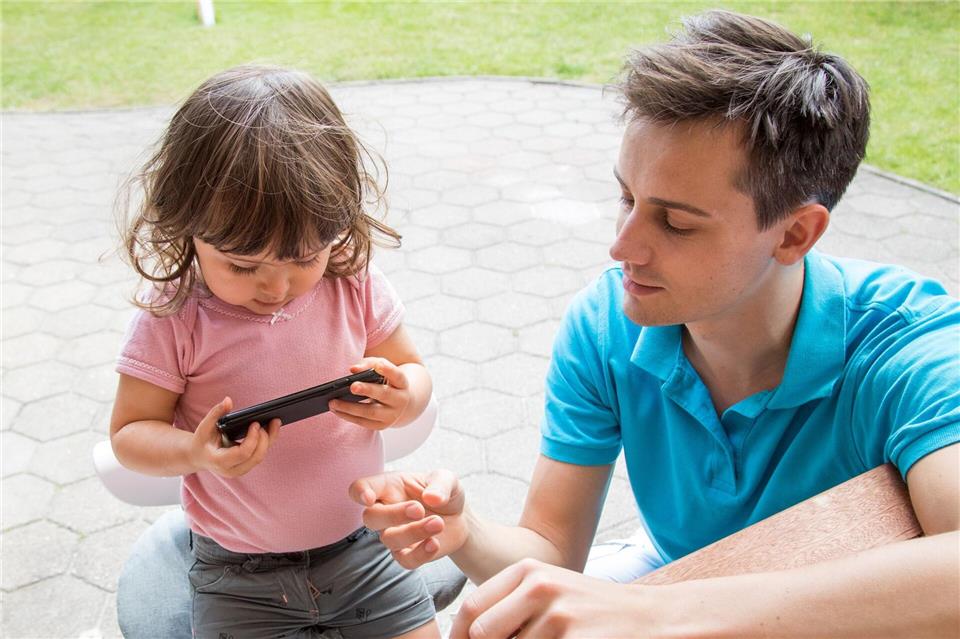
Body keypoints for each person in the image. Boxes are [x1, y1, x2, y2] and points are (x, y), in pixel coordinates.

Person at [350, 10, 960, 638]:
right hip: (675, 579)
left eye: (676, 223)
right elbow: (554, 552)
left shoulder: (907, 345)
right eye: (626, 197)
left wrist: (653, 612)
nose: (622, 247)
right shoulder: (606, 324)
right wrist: (465, 529)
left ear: (796, 233)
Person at [111, 65, 441, 639]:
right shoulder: (175, 314)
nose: (276, 288)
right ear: (185, 226)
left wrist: (405, 396)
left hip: (364, 546)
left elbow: (412, 370)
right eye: (242, 266)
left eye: (303, 258)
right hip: (237, 573)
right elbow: (130, 434)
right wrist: (196, 451)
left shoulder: (351, 281)